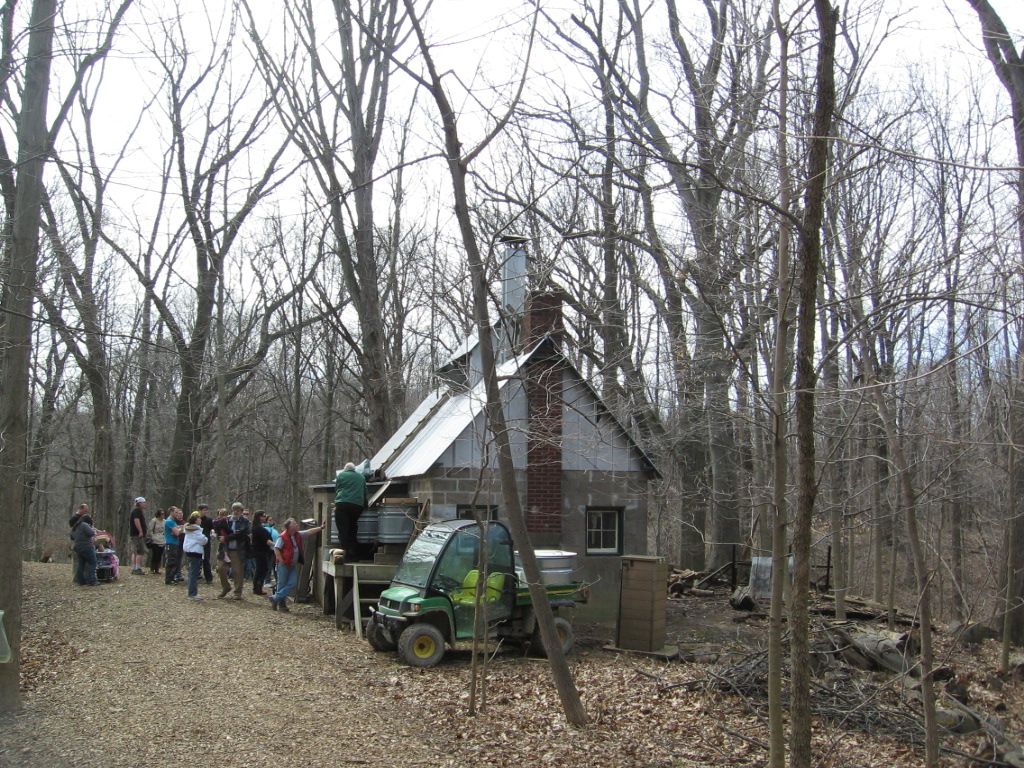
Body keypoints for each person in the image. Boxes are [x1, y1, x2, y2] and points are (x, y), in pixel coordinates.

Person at [269, 518, 324, 612]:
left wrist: (321, 528)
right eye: (295, 523)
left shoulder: (297, 535)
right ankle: (282, 605)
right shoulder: (283, 537)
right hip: (283, 564)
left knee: (292, 583)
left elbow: (309, 532)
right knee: (281, 584)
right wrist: (281, 560)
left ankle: (275, 598)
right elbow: (276, 548)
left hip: (292, 564)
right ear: (290, 527)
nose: (297, 524)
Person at [216, 502, 251, 600]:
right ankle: (226, 587)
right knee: (221, 568)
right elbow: (218, 530)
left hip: (237, 549)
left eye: (239, 510)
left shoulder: (245, 521)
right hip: (225, 549)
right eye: (235, 510)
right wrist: (219, 537)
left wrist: (226, 538)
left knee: (237, 571)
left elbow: (240, 533)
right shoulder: (226, 519)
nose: (237, 512)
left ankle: (238, 592)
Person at [334, 462, 367, 562]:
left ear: (345, 468)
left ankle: (344, 553)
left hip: (343, 504)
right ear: (354, 469)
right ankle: (354, 553)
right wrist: (365, 504)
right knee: (353, 528)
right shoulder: (361, 477)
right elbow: (365, 492)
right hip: (357, 506)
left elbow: (337, 489)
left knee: (343, 529)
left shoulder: (341, 475)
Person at [182, 513, 209, 601]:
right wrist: (206, 538)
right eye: (199, 519)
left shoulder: (191, 529)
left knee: (192, 573)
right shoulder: (195, 530)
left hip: (192, 552)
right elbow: (203, 540)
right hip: (194, 552)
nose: (200, 520)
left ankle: (193, 592)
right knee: (193, 573)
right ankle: (192, 593)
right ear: (195, 521)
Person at [71, 514, 100, 586]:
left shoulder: (76, 526)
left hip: (78, 547)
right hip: (87, 546)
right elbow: (92, 533)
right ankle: (92, 580)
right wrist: (96, 532)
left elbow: (72, 537)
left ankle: (80, 581)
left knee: (81, 564)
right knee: (92, 562)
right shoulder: (84, 525)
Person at [250, 511, 274, 596]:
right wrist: (277, 545)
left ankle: (257, 587)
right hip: (260, 551)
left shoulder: (258, 527)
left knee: (260, 569)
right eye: (264, 516)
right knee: (263, 569)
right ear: (259, 517)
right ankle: (258, 587)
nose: (265, 518)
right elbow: (266, 541)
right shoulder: (259, 529)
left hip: (260, 551)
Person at [164, 507, 184, 585]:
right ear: (171, 512)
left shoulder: (173, 521)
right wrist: (181, 529)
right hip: (170, 543)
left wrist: (178, 529)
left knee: (174, 561)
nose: (177, 514)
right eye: (176, 512)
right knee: (171, 561)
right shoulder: (169, 521)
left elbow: (176, 531)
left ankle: (172, 577)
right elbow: (176, 533)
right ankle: (169, 579)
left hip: (175, 543)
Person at [128, 497, 148, 575]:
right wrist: (140, 531)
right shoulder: (137, 510)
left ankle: (134, 567)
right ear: (139, 503)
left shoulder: (137, 510)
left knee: (136, 551)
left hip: (135, 534)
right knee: (140, 551)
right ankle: (137, 568)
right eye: (144, 502)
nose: (145, 504)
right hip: (136, 534)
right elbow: (136, 520)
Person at [197, 504, 214, 583]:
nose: (206, 512)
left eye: (206, 510)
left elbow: (213, 529)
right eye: (204, 510)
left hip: (206, 542)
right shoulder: (195, 519)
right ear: (200, 510)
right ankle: (196, 575)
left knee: (206, 560)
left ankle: (208, 578)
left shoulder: (209, 520)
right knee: (196, 560)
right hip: (196, 543)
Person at [148, 509, 166, 573]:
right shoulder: (154, 521)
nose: (163, 515)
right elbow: (150, 530)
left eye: (164, 514)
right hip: (155, 539)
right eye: (161, 514)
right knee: (155, 554)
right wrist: (153, 537)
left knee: (160, 554)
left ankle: (157, 568)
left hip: (162, 539)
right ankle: (152, 568)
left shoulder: (165, 521)